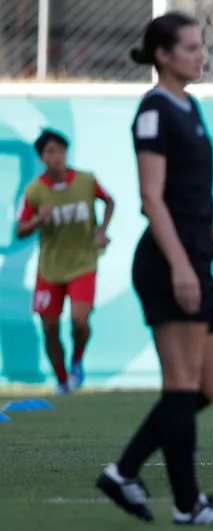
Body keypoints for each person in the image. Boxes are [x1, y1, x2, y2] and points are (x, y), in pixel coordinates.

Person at [95, 11, 213, 525]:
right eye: (190, 47)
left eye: (199, 46)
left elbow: (192, 197)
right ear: (163, 54)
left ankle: (124, 471)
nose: (200, 55)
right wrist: (183, 265)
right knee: (182, 386)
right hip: (167, 263)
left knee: (210, 386)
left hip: (197, 255)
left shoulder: (190, 106)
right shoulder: (154, 110)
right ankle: (187, 505)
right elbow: (151, 198)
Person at [16, 129, 114, 394]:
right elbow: (20, 229)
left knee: (80, 321)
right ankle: (62, 381)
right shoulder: (34, 191)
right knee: (49, 328)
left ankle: (77, 361)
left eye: (60, 150)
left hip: (83, 263)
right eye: (50, 152)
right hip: (50, 269)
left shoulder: (86, 180)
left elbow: (109, 201)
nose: (56, 156)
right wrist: (38, 219)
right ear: (41, 158)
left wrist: (101, 230)